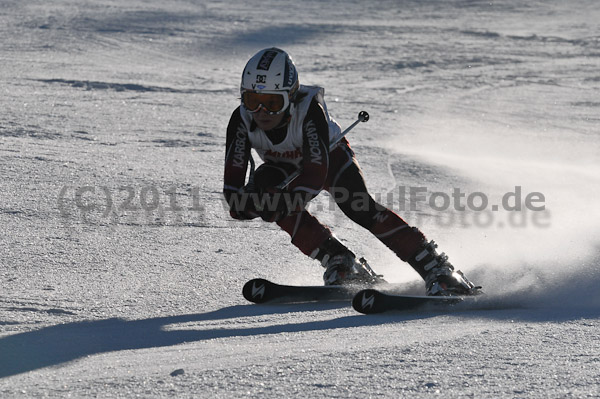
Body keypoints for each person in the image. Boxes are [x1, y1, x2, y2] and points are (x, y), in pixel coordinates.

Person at [223, 47, 479, 296]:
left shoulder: (310, 110)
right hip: (284, 168)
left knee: (357, 205)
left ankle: (435, 266)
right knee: (268, 190)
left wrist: (280, 201)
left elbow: (315, 172)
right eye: (252, 101)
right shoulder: (241, 120)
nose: (261, 112)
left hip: (329, 156)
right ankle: (338, 259)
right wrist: (252, 204)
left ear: (290, 97)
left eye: (272, 102)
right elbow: (233, 190)